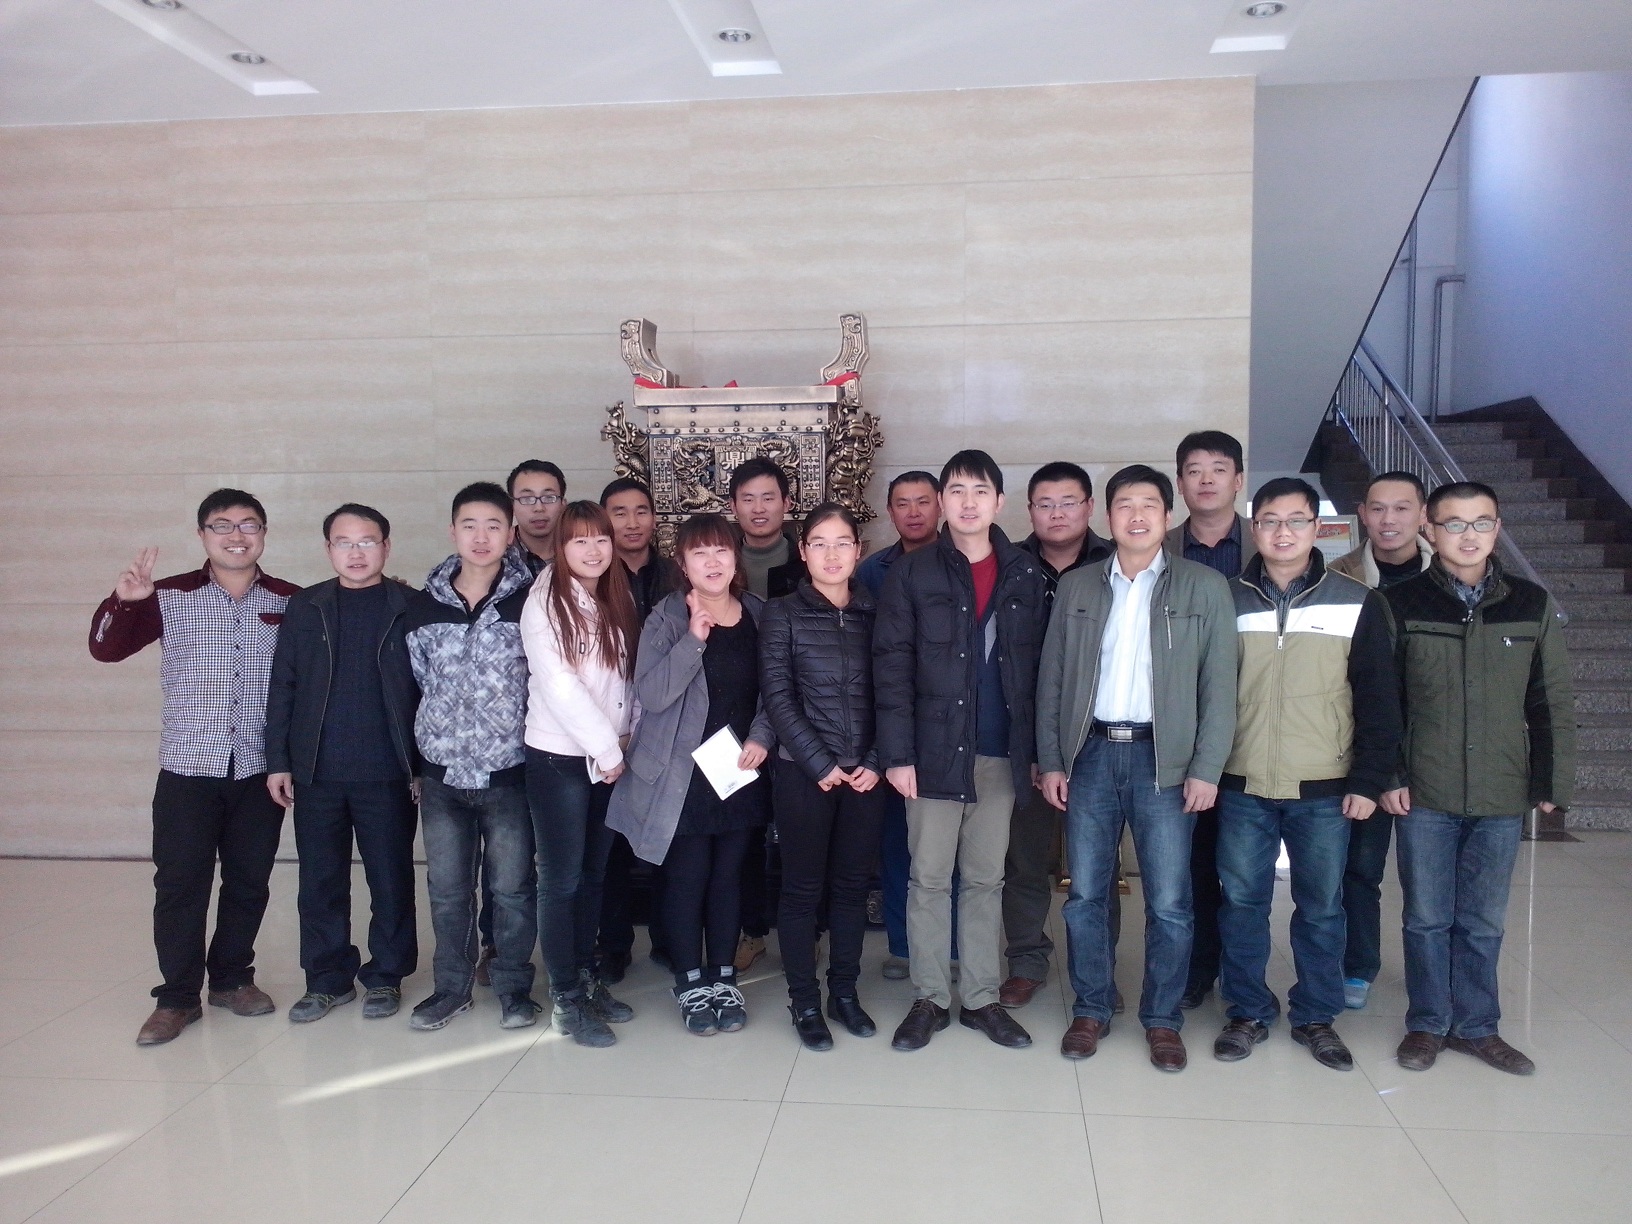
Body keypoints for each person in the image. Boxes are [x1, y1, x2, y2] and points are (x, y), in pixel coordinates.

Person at [1037, 464, 1236, 1070]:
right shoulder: (1077, 586)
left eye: (1149, 505)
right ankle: (1092, 1007)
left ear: (1168, 517)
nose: (1137, 516)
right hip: (1090, 754)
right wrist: (1052, 759)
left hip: (1165, 759)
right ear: (1108, 516)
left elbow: (1220, 687)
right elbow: (1051, 679)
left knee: (1170, 901)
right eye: (1125, 505)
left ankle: (1163, 1018)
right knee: (1085, 894)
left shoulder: (1204, 587)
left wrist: (1206, 767)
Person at [89, 489, 298, 1046]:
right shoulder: (168, 594)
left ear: (264, 533)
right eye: (222, 525)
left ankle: (231, 979)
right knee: (181, 883)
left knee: (249, 880)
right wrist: (124, 602)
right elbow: (106, 650)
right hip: (188, 767)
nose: (237, 535)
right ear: (202, 535)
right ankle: (177, 998)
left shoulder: (291, 600)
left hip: (259, 769)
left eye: (249, 525)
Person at [1383, 481, 1574, 1076]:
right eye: (1454, 524)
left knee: (1483, 920)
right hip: (1425, 787)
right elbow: (1382, 700)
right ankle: (1427, 1023)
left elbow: (1550, 699)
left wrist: (1550, 782)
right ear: (1429, 530)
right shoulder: (1400, 602)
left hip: (1500, 788)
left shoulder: (1531, 603)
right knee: (1426, 917)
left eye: (1481, 523)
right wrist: (1389, 773)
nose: (1469, 536)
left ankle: (1477, 1026)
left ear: (1497, 528)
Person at [1211, 478, 1401, 1072]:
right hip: (1242, 783)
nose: (1283, 532)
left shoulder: (1357, 601)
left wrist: (1368, 780)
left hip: (1324, 786)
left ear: (1317, 528)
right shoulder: (1227, 598)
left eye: (1296, 520)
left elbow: (1378, 698)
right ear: (1254, 528)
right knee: (1242, 902)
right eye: (1270, 520)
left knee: (1321, 906)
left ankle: (1316, 1016)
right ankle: (1247, 1010)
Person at [875, 450, 1047, 1052]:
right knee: (927, 878)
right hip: (930, 754)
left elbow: (1039, 672)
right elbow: (891, 666)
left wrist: (1038, 753)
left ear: (999, 501)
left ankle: (980, 998)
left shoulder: (1024, 572)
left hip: (1001, 752)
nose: (968, 502)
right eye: (956, 490)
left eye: (980, 491)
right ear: (943, 502)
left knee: (985, 878)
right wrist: (897, 754)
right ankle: (929, 997)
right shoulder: (912, 573)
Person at [607, 513, 775, 1036]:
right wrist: (694, 639)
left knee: (728, 877)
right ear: (683, 563)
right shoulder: (665, 618)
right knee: (687, 877)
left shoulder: (758, 614)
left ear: (735, 557)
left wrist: (762, 737)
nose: (712, 562)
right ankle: (689, 981)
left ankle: (723, 976)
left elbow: (776, 691)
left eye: (721, 550)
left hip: (738, 768)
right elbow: (653, 694)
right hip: (680, 773)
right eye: (699, 553)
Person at [264, 504, 419, 1024]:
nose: (356, 552)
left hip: (388, 772)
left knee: (390, 880)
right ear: (328, 549)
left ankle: (386, 976)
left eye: (367, 541)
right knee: (320, 882)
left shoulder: (410, 606)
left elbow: (430, 691)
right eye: (344, 542)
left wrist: (422, 767)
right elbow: (283, 685)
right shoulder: (306, 606)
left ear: (386, 547)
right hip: (317, 771)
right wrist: (278, 760)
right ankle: (326, 980)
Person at [405, 483, 540, 1032]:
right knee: (447, 892)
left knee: (512, 890)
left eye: (493, 526)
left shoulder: (533, 601)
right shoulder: (423, 605)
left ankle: (513, 988)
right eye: (469, 525)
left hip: (509, 774)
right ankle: (451, 989)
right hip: (442, 778)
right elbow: (417, 682)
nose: (481, 537)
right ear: (452, 531)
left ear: (511, 534)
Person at [760, 503, 887, 1050]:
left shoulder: (878, 612)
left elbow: (895, 693)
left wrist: (875, 761)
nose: (832, 555)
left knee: (852, 888)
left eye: (842, 543)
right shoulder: (782, 614)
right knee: (801, 889)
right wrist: (820, 764)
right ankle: (805, 1001)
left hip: (866, 778)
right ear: (803, 552)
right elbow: (778, 696)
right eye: (820, 543)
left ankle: (844, 993)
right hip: (803, 774)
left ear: (858, 551)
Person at [521, 501, 639, 1047]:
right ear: (561, 547)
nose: (593, 550)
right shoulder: (545, 600)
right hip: (561, 760)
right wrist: (608, 750)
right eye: (579, 540)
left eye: (601, 539)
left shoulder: (614, 593)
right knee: (561, 880)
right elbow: (560, 686)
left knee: (593, 875)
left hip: (608, 756)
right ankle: (565, 998)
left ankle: (587, 978)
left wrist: (626, 739)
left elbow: (625, 679)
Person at [1001, 462, 1116, 1011]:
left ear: (1089, 507)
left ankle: (1098, 971)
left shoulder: (1116, 563)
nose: (1056, 513)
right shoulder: (1011, 565)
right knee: (1025, 859)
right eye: (1044, 504)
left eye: (1068, 502)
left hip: (1099, 737)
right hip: (1027, 732)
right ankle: (1027, 960)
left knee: (1096, 868)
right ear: (1029, 511)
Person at [1328, 470, 1432, 1010]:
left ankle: (1435, 979)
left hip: (1434, 750)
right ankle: (1358, 965)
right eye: (1378, 508)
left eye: (1402, 508)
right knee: (1360, 869)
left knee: (1430, 880)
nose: (1389, 519)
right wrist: (1383, 771)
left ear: (1423, 515)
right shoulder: (1337, 578)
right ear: (1362, 515)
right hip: (1365, 751)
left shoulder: (1447, 578)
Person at [1165, 429, 1257, 1011]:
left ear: (1238, 480)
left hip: (1255, 728)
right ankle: (1199, 970)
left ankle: (1246, 980)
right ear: (1179, 484)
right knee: (1194, 863)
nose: (1206, 480)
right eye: (1194, 470)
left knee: (1244, 869)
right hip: (1183, 733)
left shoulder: (1267, 547)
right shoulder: (1159, 550)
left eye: (1218, 469)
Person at [857, 470, 945, 983]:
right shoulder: (872, 572)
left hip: (948, 724)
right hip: (891, 724)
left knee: (951, 847)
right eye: (903, 503)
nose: (913, 512)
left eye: (922, 501)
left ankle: (952, 946)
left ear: (940, 507)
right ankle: (903, 945)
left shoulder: (960, 563)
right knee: (898, 842)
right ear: (889, 512)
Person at [595, 477, 681, 983]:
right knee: (611, 841)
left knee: (668, 835)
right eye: (619, 512)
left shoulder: (676, 574)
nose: (631, 522)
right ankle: (613, 944)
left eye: (641, 511)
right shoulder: (593, 576)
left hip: (667, 722)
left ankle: (669, 940)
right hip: (608, 724)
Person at [727, 456, 802, 971]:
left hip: (801, 715)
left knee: (799, 832)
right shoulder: (716, 561)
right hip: (735, 719)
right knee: (745, 832)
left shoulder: (809, 560)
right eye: (748, 499)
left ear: (786, 504)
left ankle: (805, 931)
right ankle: (751, 930)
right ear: (733, 506)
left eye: (768, 497)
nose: (758, 508)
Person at [508, 459, 567, 574]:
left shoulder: (582, 550)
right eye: (527, 498)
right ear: (512, 506)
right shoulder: (498, 555)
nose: (539, 508)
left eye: (549, 498)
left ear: (563, 505)